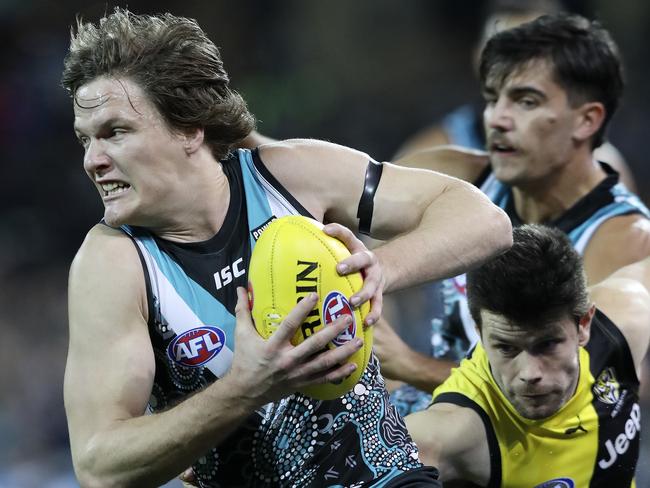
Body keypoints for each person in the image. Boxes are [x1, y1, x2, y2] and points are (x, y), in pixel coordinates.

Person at [61, 8, 512, 488]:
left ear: (189, 128)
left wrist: (376, 269)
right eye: (85, 140)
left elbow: (485, 220)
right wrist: (243, 390)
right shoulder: (110, 262)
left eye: (115, 133)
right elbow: (98, 466)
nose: (93, 161)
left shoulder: (290, 176)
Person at [375, 13, 650, 416]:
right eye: (492, 99)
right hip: (435, 435)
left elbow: (566, 403)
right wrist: (250, 144)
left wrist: (410, 366)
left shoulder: (626, 242)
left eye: (525, 101)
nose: (496, 120)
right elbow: (328, 180)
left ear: (587, 119)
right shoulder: (461, 176)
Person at [406, 224, 650, 487]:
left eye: (547, 345)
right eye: (506, 348)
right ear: (480, 332)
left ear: (584, 325)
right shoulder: (458, 431)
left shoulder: (625, 321)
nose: (529, 374)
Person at [394, 0, 638, 191]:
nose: (516, 67)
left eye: (533, 53)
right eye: (502, 52)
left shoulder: (603, 171)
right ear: (478, 56)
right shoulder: (425, 163)